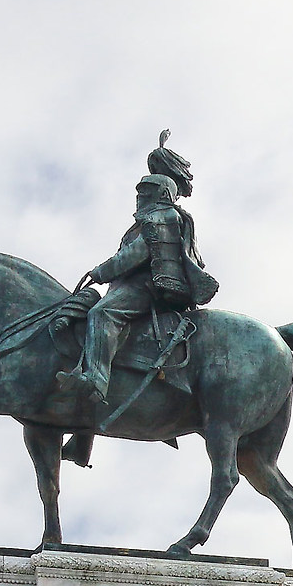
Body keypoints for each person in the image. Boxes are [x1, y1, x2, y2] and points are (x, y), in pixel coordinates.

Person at [61, 136, 219, 407]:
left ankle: (96, 379)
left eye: (144, 193)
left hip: (147, 287)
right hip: (134, 286)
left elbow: (134, 255)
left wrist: (100, 272)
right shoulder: (155, 218)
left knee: (102, 313)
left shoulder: (161, 216)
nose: (138, 198)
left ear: (160, 195)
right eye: (138, 193)